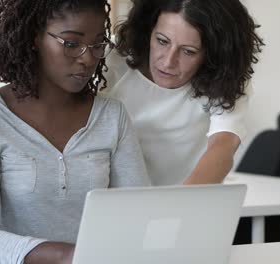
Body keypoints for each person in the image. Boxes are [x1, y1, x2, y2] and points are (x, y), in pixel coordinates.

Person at [0, 0, 149, 263]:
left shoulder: (112, 116)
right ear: (34, 37)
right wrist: (69, 256)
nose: (87, 58)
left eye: (98, 44)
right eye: (71, 43)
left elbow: (137, 215)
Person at [103, 0, 264, 186]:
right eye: (162, 41)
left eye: (188, 51)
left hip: (185, 199)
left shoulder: (225, 79)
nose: (168, 62)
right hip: (110, 200)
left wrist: (180, 205)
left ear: (212, 54)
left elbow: (223, 145)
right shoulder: (111, 56)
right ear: (149, 30)